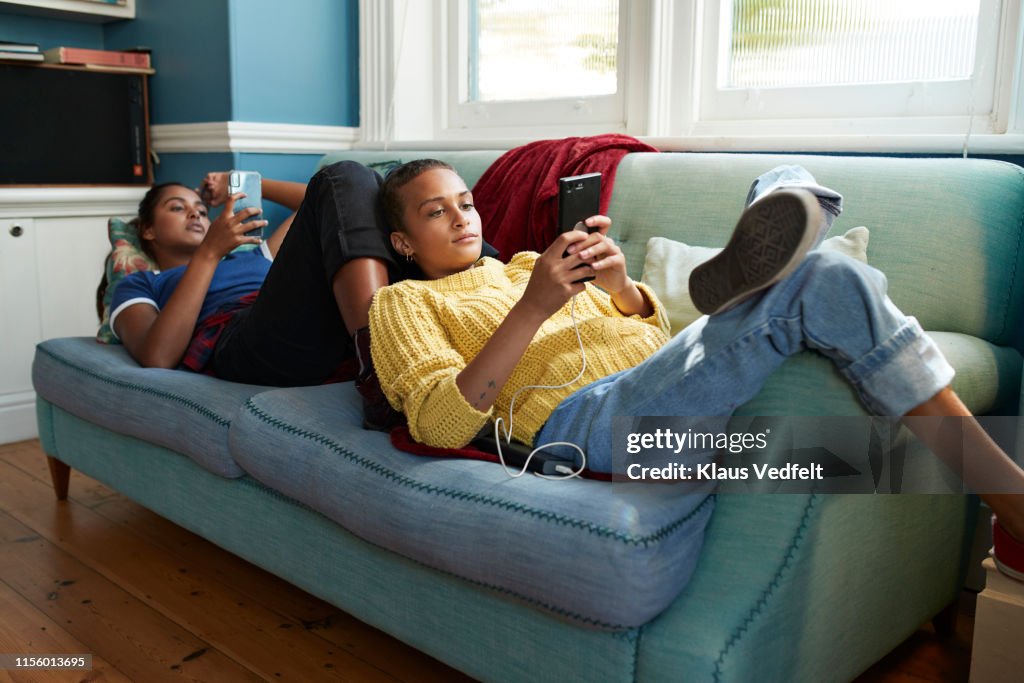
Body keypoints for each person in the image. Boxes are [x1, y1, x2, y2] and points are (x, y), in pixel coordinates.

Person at [366, 158, 1024, 569]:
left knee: (861, 451)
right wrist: (533, 309)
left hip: (659, 392)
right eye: (435, 211)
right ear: (401, 240)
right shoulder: (402, 301)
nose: (461, 218)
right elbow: (437, 423)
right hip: (585, 422)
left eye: (467, 202)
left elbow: (647, 340)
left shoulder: (528, 264)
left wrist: (622, 291)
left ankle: (775, 222)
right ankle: (1013, 499)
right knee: (824, 276)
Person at [108, 162, 491, 429]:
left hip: (317, 317)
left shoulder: (256, 253)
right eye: (178, 208)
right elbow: (157, 356)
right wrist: (210, 251)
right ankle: (382, 369)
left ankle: (507, 291)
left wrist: (240, 181)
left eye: (199, 209)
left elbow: (331, 202)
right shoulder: (143, 282)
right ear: (148, 231)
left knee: (384, 193)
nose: (195, 214)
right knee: (350, 175)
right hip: (248, 343)